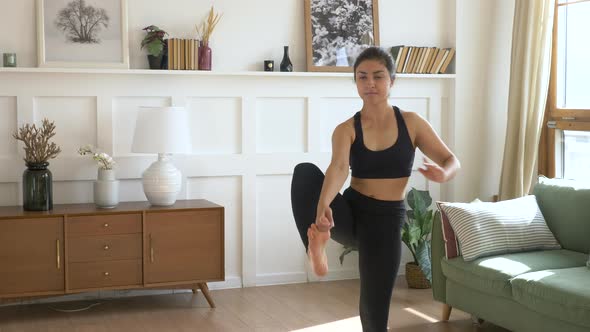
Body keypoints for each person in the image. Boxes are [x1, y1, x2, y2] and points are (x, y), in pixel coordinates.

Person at [290, 46, 460, 332]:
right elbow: (339, 168)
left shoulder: (412, 123)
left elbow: (451, 160)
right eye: (362, 77)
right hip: (352, 213)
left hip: (386, 221)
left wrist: (444, 173)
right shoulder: (346, 129)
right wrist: (324, 207)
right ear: (355, 82)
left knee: (374, 310)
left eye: (378, 76)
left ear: (392, 81)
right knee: (304, 172)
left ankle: (319, 239)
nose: (370, 83)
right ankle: (315, 245)